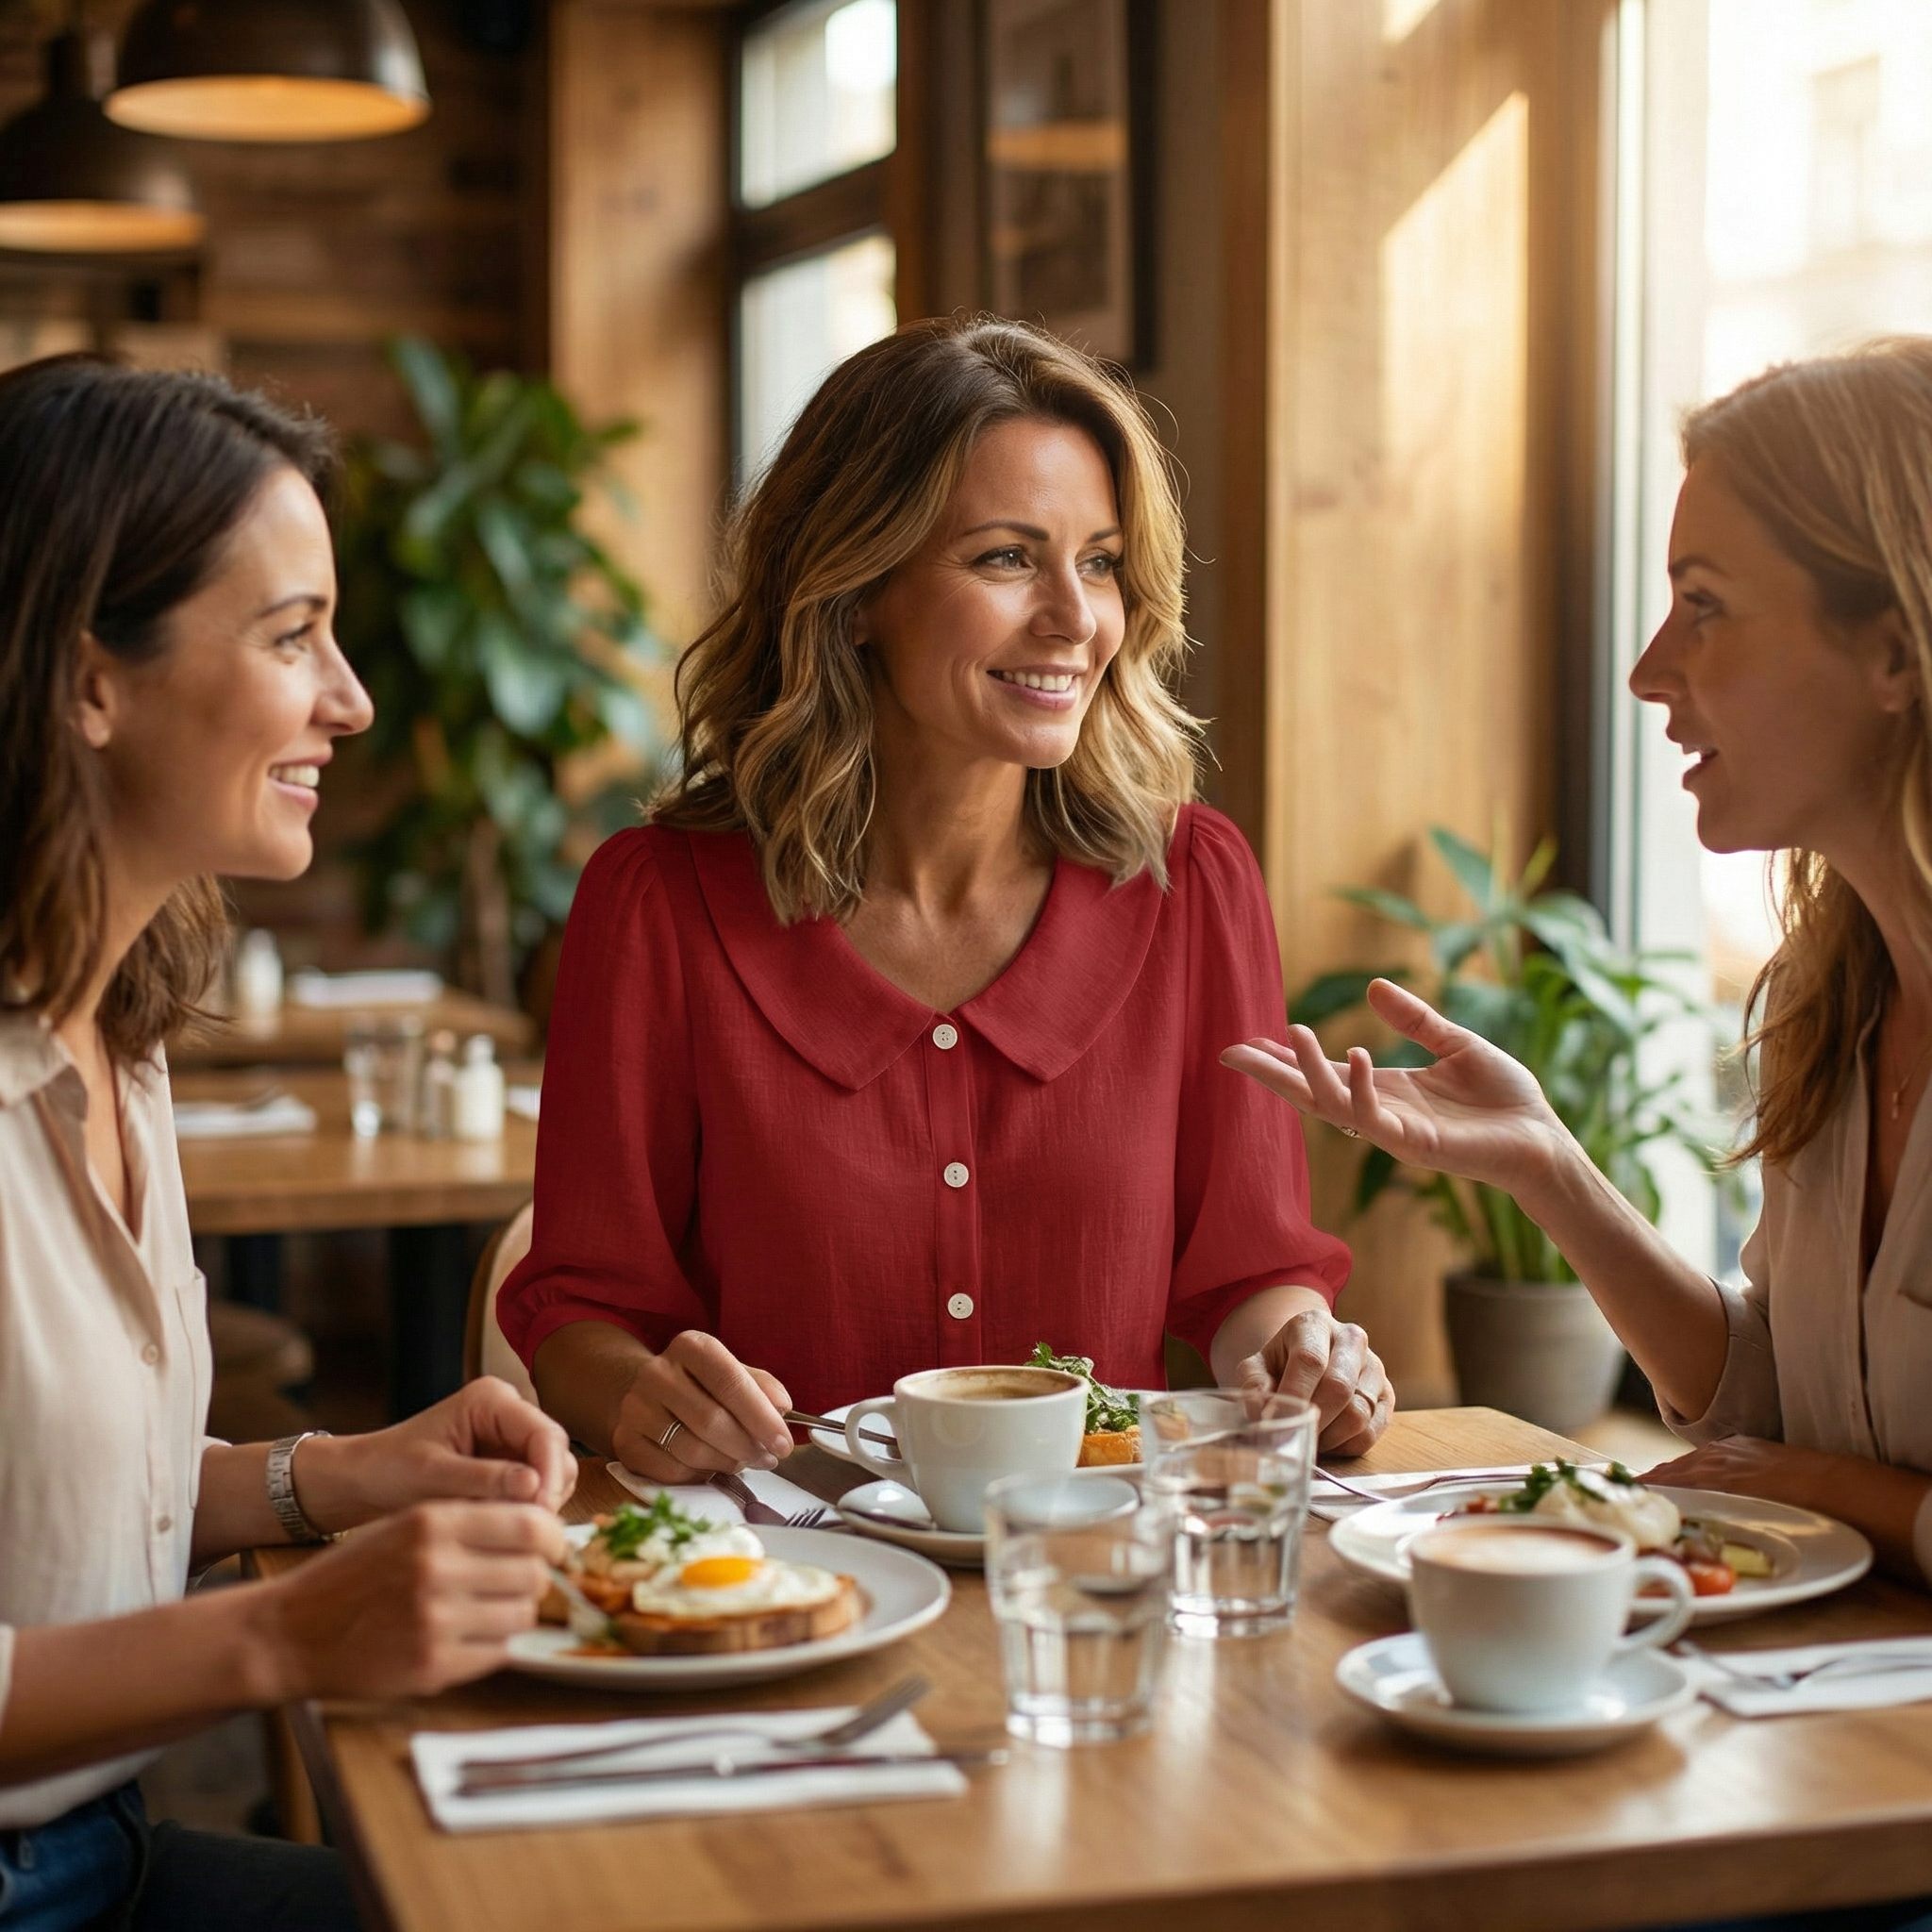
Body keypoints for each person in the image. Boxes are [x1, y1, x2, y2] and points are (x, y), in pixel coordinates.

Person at [498, 314, 1392, 1486]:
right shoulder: (655, 902)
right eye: (1006, 558)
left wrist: (1300, 1355)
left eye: (1102, 560)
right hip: (792, 1585)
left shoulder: (1192, 882)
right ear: (853, 588)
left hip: (1096, 1582)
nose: (1075, 619)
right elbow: (581, 1316)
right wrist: (646, 1396)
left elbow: (1246, 1274)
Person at [0, 356, 571, 1932]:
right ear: (86, 677)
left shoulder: (116, 1029)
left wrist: (328, 1477)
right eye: (288, 635)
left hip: (95, 1848)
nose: (353, 697)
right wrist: (286, 1635)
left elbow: (36, 1506)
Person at [1224, 339, 1932, 1586]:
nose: (1650, 671)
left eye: (1705, 606)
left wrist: (1837, 1492)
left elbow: (1799, 1462)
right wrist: (1549, 1167)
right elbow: (1770, 1397)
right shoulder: (1835, 1005)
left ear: (1892, 648)